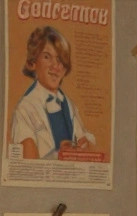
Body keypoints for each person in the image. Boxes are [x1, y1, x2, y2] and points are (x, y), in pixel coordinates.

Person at [10, 26, 96, 160]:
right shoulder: (25, 109)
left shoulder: (70, 106)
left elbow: (82, 138)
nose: (55, 66)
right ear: (32, 63)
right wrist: (59, 155)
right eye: (46, 57)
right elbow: (28, 167)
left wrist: (85, 144)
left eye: (60, 59)